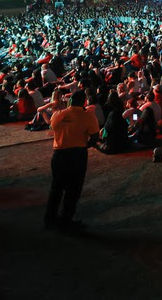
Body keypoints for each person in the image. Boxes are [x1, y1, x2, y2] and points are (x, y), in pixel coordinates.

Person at [44, 90, 99, 233]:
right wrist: (84, 145)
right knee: (73, 189)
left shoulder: (58, 115)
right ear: (84, 102)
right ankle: (66, 221)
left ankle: (50, 219)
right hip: (77, 154)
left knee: (56, 188)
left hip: (59, 153)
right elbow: (94, 137)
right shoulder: (88, 117)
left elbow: (53, 127)